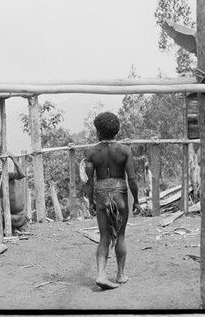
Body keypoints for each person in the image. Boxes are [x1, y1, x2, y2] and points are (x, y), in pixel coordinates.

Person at [84, 112, 141, 290]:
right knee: (120, 235)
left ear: (98, 131)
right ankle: (120, 275)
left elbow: (89, 181)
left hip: (101, 195)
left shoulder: (92, 152)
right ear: (116, 131)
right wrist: (136, 200)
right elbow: (132, 179)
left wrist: (91, 202)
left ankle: (101, 274)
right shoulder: (124, 150)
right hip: (120, 194)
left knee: (104, 238)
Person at [7, 153, 27, 230]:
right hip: (8, 216)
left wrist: (13, 159)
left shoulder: (8, 175)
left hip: (18, 217)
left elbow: (21, 174)